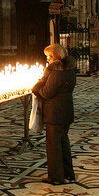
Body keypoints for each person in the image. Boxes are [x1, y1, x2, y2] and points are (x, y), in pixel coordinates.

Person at [31, 43, 76, 184]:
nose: (48, 60)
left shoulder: (57, 72)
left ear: (56, 56)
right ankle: (68, 174)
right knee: (63, 142)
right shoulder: (69, 69)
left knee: (53, 145)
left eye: (49, 56)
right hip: (66, 110)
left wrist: (38, 85)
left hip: (55, 113)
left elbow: (47, 92)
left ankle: (56, 177)